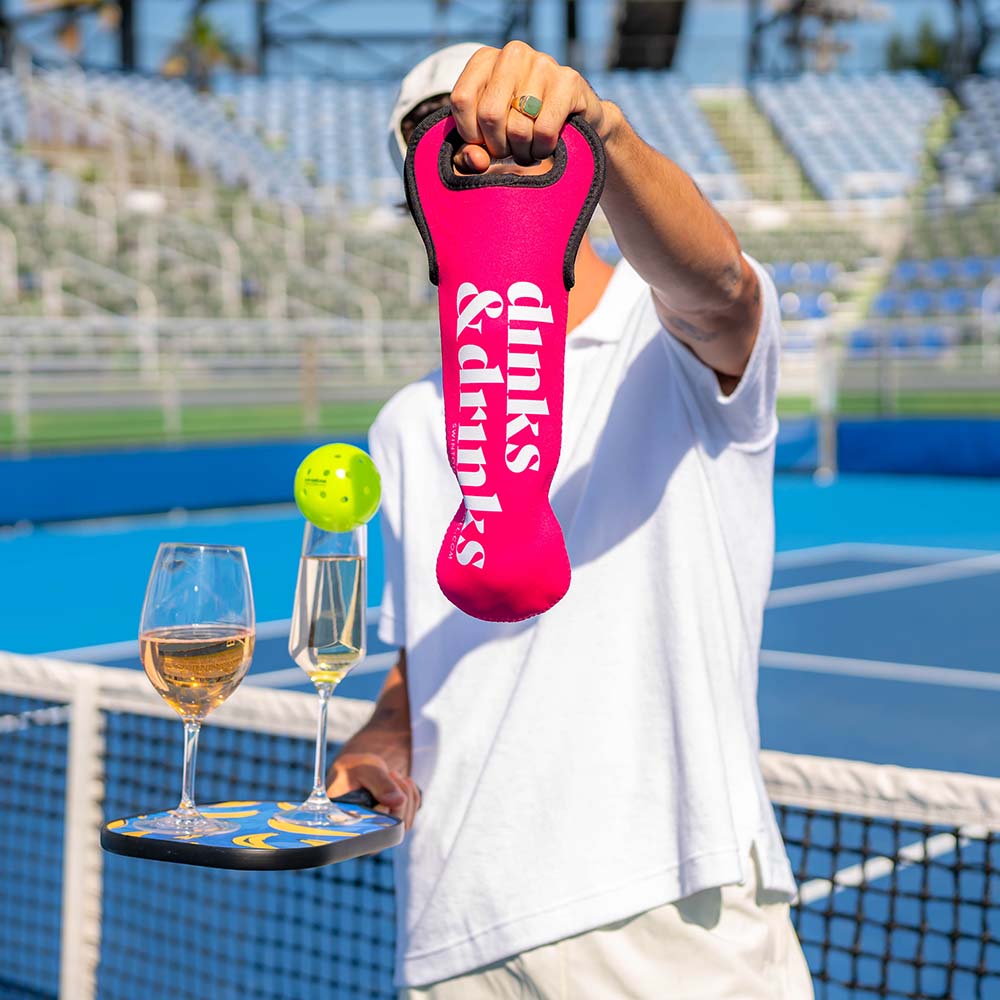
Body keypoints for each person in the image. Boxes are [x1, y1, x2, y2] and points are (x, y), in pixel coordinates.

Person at [328, 40, 814, 999]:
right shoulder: (407, 424)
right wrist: (382, 741)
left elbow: (719, 289)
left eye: (521, 138)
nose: (487, 162)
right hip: (453, 926)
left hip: (670, 910)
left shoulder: (663, 335)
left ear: (569, 167)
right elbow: (417, 666)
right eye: (454, 150)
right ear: (421, 197)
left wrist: (603, 126)